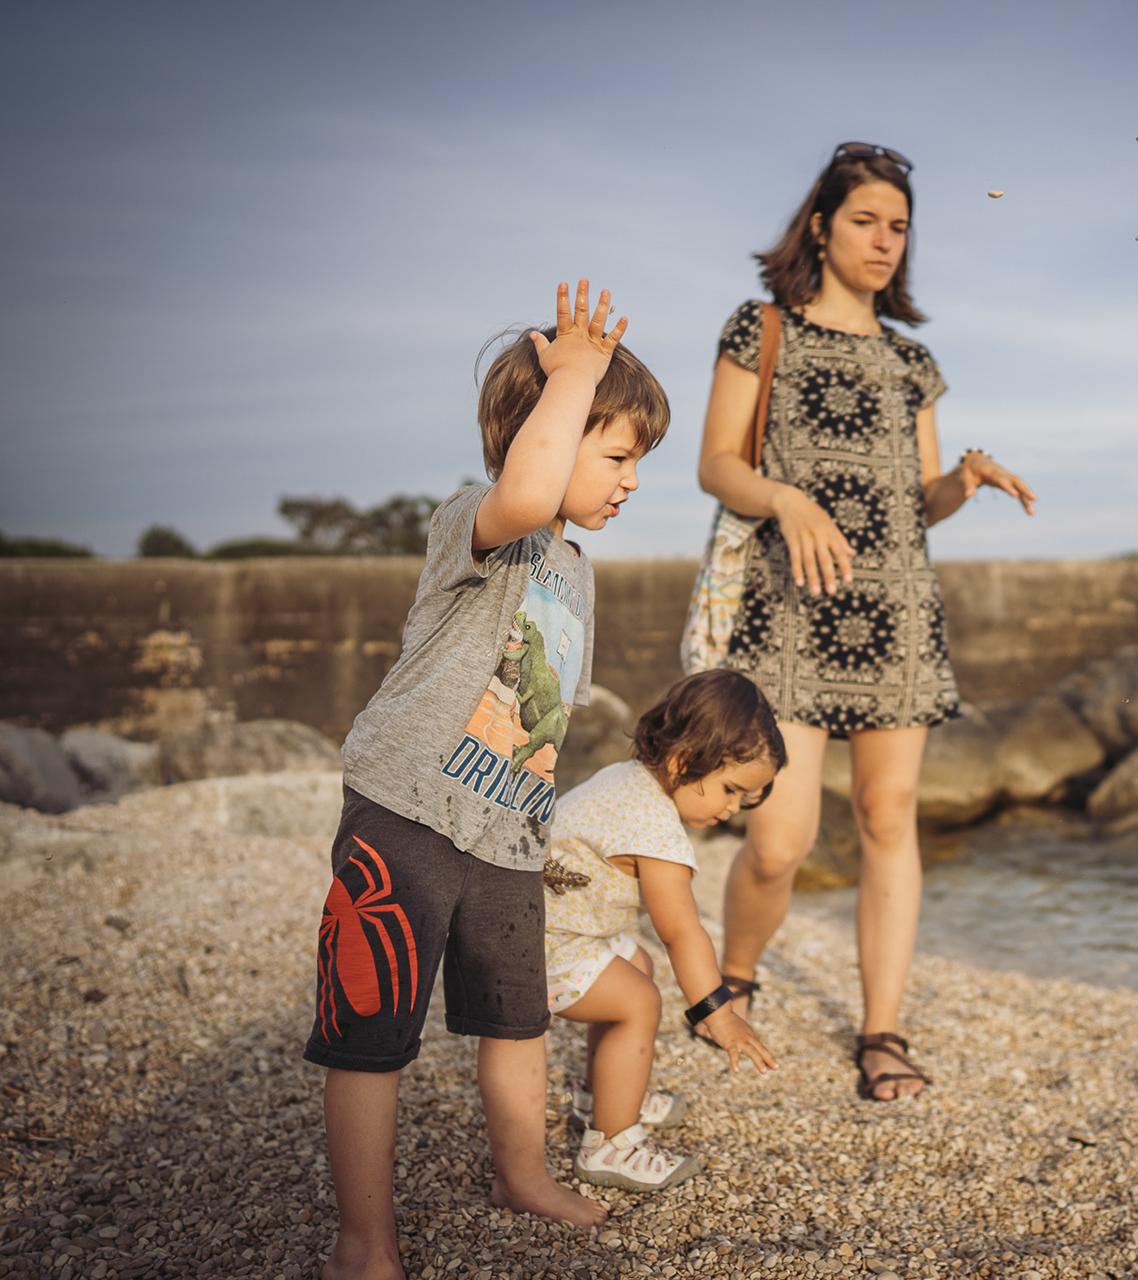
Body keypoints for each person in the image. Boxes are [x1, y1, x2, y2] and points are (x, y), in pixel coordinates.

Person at [305, 280, 668, 1280]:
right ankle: (363, 1241)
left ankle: (522, 1175)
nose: (634, 480)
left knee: (516, 1018)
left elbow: (540, 711)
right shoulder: (478, 521)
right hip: (409, 810)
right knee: (368, 1027)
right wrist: (575, 375)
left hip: (508, 833)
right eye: (619, 455)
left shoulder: (576, 572)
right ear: (544, 433)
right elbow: (528, 491)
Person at [693, 142, 1036, 1102]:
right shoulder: (761, 328)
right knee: (780, 837)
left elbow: (919, 504)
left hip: (896, 610)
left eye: (899, 228)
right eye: (865, 222)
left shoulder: (912, 360)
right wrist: (787, 499)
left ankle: (882, 1030)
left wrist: (963, 479)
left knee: (889, 819)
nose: (885, 242)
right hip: (788, 607)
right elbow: (717, 463)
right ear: (820, 226)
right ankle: (734, 980)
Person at [544, 670, 782, 1193]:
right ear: (682, 761)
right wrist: (719, 1014)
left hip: (547, 925)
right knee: (639, 1001)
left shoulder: (627, 778)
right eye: (730, 789)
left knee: (636, 962)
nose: (733, 809)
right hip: (540, 946)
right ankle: (611, 1144)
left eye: (745, 798)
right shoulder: (653, 829)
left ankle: (605, 1091)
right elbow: (682, 931)